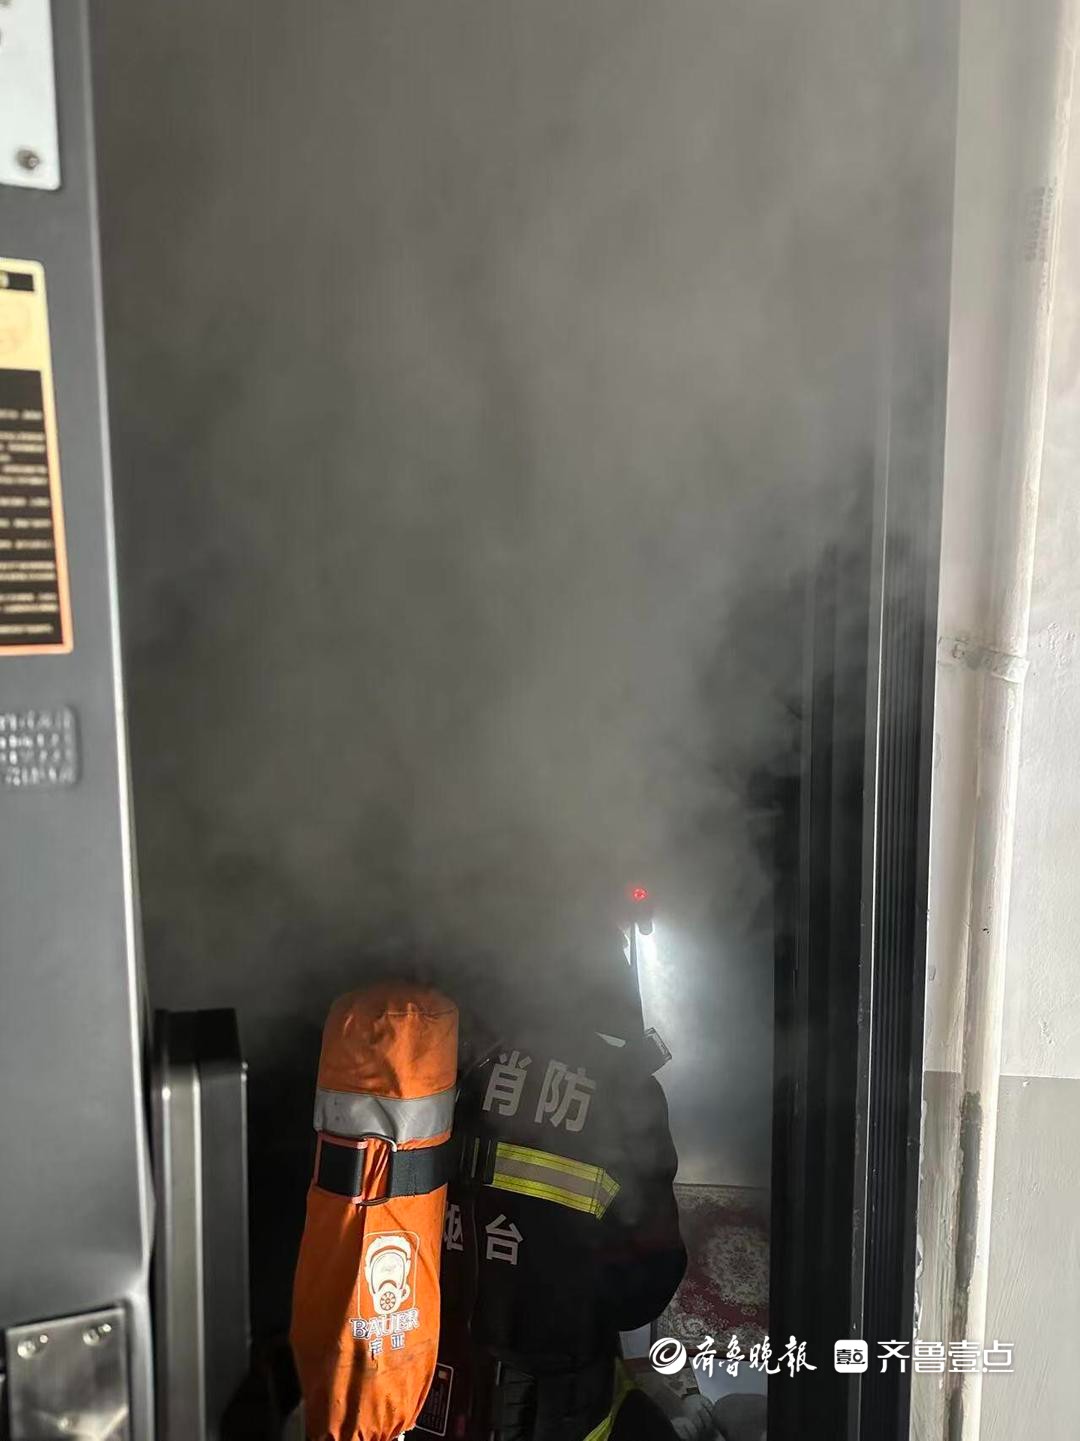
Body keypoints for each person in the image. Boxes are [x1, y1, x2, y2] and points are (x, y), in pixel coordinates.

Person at [408, 931, 688, 1441]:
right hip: (559, 1409)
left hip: (426, 1395)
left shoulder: (448, 1063)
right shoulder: (626, 1094)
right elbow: (643, 1292)